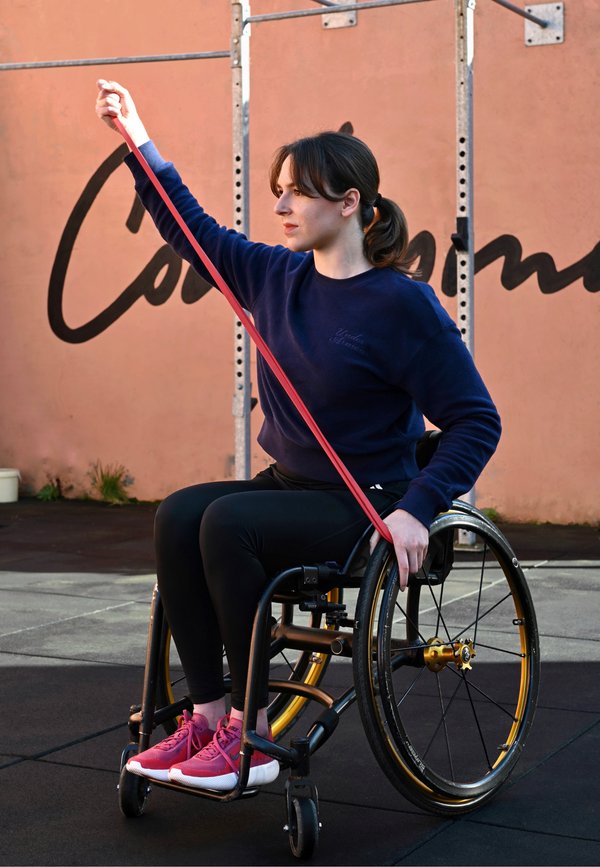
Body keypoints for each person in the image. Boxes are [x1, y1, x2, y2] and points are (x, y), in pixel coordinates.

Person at [95, 79, 502, 792]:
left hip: (365, 501)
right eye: (278, 189)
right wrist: (136, 135)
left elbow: (477, 419)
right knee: (178, 513)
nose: (280, 205)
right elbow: (187, 224)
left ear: (350, 204)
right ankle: (211, 713)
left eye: (298, 192)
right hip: (291, 486)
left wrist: (418, 506)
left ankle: (253, 737)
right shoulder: (274, 276)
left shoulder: (402, 304)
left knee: (226, 522)